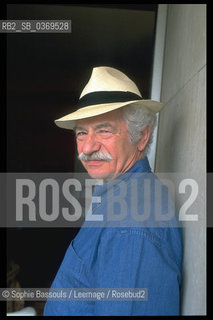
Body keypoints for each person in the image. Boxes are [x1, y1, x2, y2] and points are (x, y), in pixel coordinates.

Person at [44, 66, 182, 316]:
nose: (87, 147)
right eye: (81, 133)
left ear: (141, 136)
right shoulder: (118, 196)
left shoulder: (133, 221)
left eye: (104, 130)